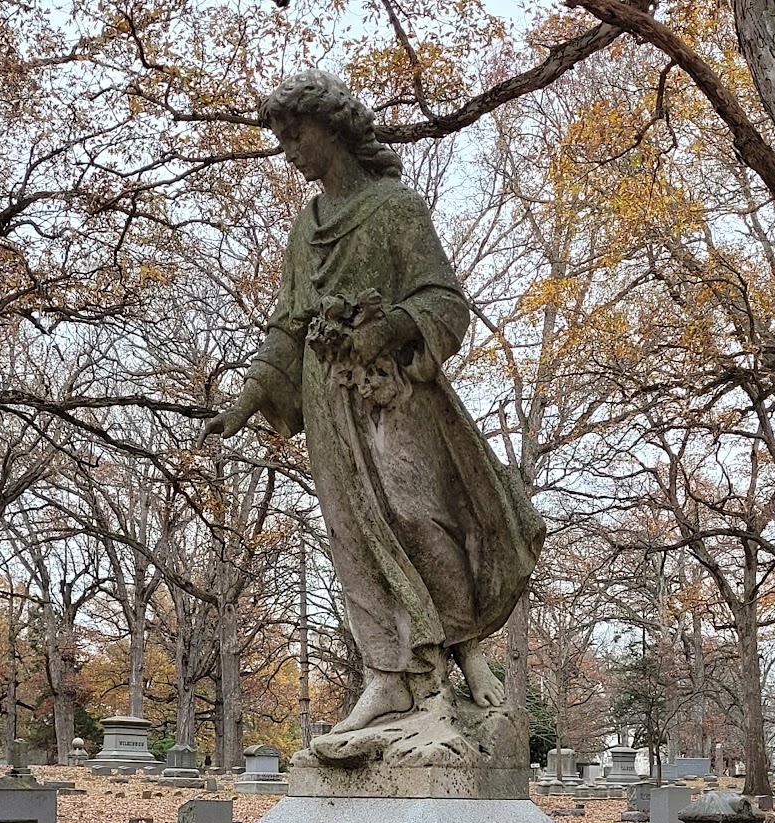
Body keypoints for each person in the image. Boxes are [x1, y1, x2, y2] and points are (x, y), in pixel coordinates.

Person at [205, 71, 544, 738]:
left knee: (420, 515)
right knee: (350, 536)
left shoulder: (395, 210)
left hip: (392, 394)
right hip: (326, 401)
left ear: (335, 128)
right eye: (282, 138)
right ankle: (387, 678)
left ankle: (464, 652)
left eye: (296, 134)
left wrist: (387, 329)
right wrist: (246, 402)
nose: (290, 150)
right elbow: (287, 324)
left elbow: (444, 301)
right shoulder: (306, 229)